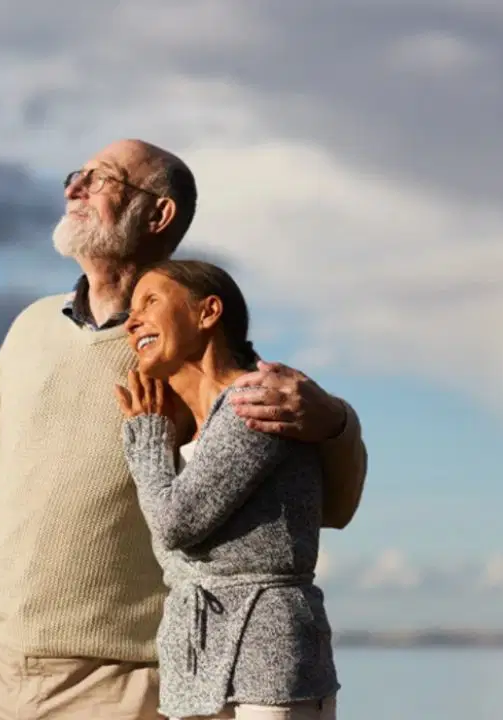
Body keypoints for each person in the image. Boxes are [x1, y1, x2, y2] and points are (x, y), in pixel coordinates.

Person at [0, 139, 366, 719]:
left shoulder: (186, 354)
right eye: (76, 175)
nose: (74, 188)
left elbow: (330, 505)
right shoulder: (29, 327)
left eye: (101, 179)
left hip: (118, 682)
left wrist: (336, 421)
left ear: (159, 214)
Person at [116, 260, 338, 720]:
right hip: (194, 665)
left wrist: (147, 437)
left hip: (267, 656)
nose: (132, 321)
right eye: (130, 311)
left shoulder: (255, 401)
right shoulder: (194, 425)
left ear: (208, 311)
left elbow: (175, 524)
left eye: (150, 302)